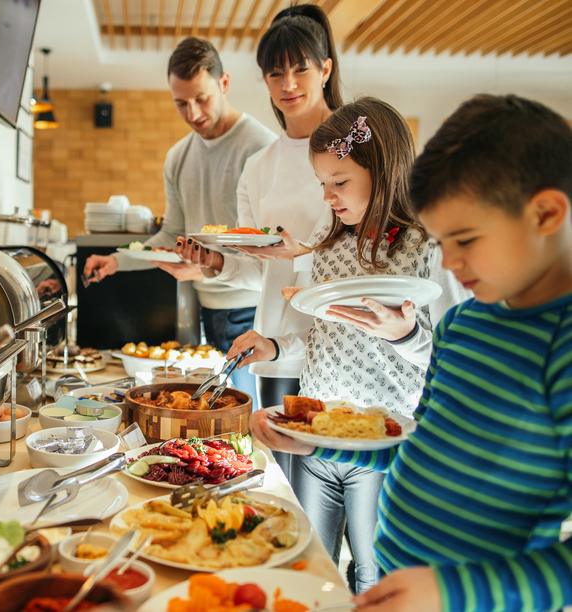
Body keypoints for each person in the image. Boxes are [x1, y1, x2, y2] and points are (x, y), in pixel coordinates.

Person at [251, 94, 572, 612]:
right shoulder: (464, 326)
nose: (446, 260)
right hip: (405, 585)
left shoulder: (561, 350)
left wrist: (448, 591)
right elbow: (413, 442)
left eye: (463, 238)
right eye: (442, 241)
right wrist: (321, 447)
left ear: (546, 214)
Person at [228, 98, 470, 593]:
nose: (328, 196)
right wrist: (275, 347)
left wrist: (405, 335)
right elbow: (323, 338)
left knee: (372, 575)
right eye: (323, 183)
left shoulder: (427, 247)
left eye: (340, 183)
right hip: (316, 433)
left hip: (382, 440)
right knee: (310, 566)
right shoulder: (329, 241)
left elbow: (456, 356)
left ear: (383, 172)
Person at [173, 4, 340, 476]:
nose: (287, 85)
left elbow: (366, 258)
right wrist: (215, 262)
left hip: (340, 349)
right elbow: (260, 272)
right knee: (286, 497)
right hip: (277, 350)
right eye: (274, 73)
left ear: (324, 69)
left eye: (300, 69)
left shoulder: (351, 147)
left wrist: (303, 254)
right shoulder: (260, 165)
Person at [82, 37, 275, 406]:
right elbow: (172, 232)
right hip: (205, 310)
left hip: (253, 310)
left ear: (225, 83)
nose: (193, 113)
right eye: (181, 103)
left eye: (201, 98)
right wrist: (117, 260)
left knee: (242, 418)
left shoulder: (262, 149)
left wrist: (203, 271)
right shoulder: (178, 157)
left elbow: (269, 245)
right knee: (211, 414)